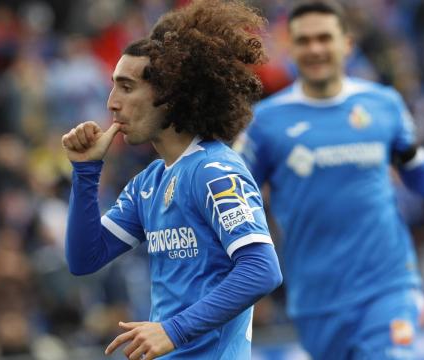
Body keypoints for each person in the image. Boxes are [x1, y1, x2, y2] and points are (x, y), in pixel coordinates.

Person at [236, 1, 424, 359]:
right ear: (290, 47)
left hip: (387, 283)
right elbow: (239, 200)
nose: (315, 49)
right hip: (316, 295)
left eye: (324, 38)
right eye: (304, 40)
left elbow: (417, 171)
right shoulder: (266, 122)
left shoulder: (384, 105)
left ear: (347, 43)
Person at [61, 1, 282, 359]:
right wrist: (86, 172)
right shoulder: (149, 182)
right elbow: (85, 258)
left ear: (170, 94)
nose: (111, 103)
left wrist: (173, 329)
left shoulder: (215, 171)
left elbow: (262, 270)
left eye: (127, 87)